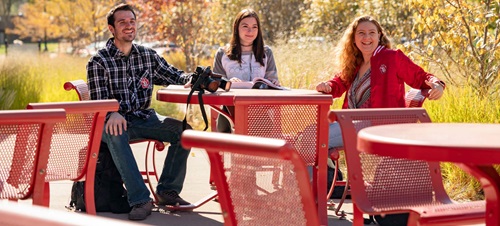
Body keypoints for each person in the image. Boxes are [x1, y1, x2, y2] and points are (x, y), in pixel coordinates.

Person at [86, 3, 193, 221]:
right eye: (122, 22)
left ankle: (167, 191)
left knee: (185, 132)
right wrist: (111, 113)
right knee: (116, 133)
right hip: (112, 122)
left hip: (144, 117)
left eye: (132, 21)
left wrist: (191, 80)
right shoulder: (99, 61)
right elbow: (99, 100)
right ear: (111, 29)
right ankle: (140, 199)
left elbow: (174, 75)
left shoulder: (147, 55)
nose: (128, 26)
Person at [316, 15, 445, 149]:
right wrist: (327, 86)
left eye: (371, 33)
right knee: (311, 133)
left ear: (379, 36)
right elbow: (338, 83)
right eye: (361, 33)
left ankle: (326, 170)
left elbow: (421, 77)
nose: (367, 37)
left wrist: (437, 85)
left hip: (377, 126)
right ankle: (329, 171)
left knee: (315, 140)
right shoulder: (355, 63)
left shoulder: (392, 57)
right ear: (354, 39)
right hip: (350, 121)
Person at [212, 8, 279, 133]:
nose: (250, 31)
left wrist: (273, 83)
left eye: (254, 27)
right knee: (228, 143)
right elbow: (215, 84)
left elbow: (273, 80)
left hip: (260, 112)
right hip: (229, 112)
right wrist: (227, 82)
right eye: (245, 26)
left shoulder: (266, 52)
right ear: (236, 28)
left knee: (261, 147)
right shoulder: (222, 53)